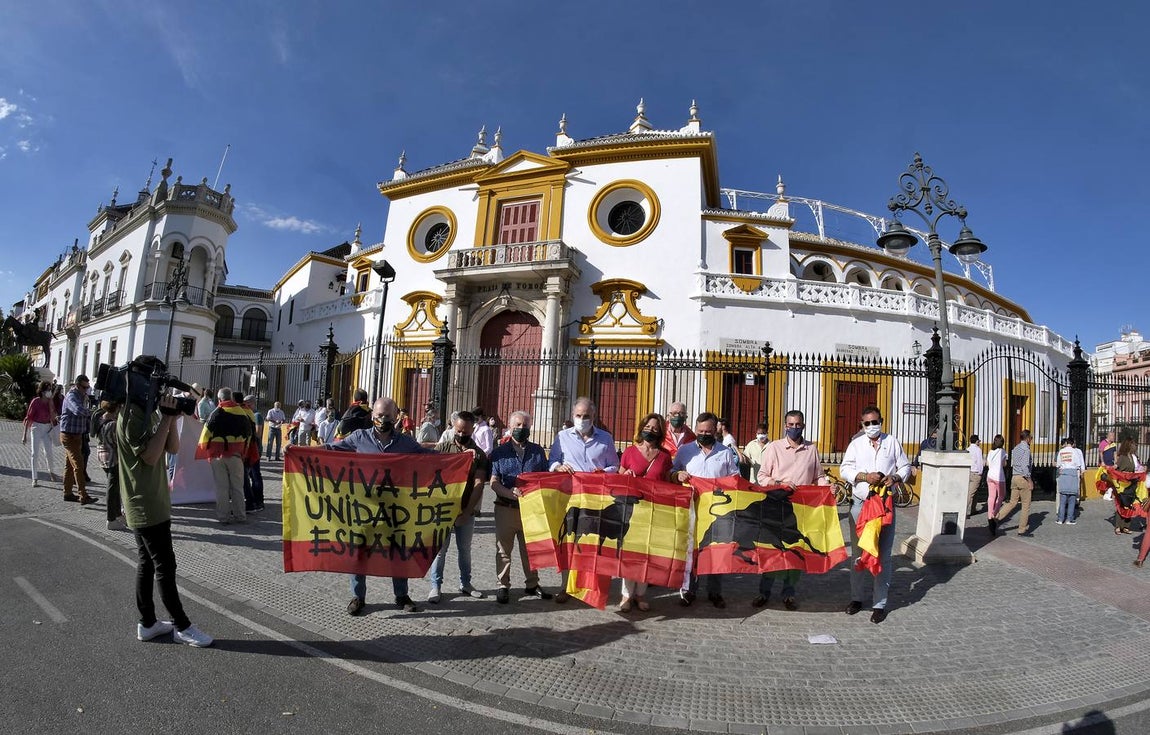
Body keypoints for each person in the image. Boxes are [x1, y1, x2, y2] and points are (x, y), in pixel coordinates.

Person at [118, 358, 213, 647]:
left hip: (153, 498)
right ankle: (182, 625)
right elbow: (148, 456)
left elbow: (170, 448)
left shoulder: (145, 413)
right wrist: (167, 418)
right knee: (164, 565)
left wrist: (170, 417)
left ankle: (147, 623)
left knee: (147, 562)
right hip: (144, 501)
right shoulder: (133, 415)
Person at [327, 397, 426, 614]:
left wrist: (461, 458)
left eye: (388, 416)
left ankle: (402, 596)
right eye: (380, 415)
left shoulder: (405, 442)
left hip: (395, 509)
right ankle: (358, 597)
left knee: (398, 553)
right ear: (373, 416)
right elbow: (331, 450)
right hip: (364, 508)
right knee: (359, 553)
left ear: (396, 416)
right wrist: (298, 450)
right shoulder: (358, 437)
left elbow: (428, 457)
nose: (384, 419)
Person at [839, 405, 911, 624]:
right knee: (859, 554)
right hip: (861, 505)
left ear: (881, 421)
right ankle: (856, 598)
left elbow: (905, 466)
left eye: (875, 421)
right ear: (862, 424)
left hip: (884, 506)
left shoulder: (893, 442)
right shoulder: (856, 445)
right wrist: (863, 476)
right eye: (867, 423)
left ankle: (879, 604)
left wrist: (895, 478)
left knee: (884, 555)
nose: (871, 426)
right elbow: (844, 469)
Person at [755, 409, 826, 610]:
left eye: (798, 425)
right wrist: (778, 482)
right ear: (785, 425)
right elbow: (762, 476)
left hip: (800, 510)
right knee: (772, 551)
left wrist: (827, 486)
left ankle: (789, 594)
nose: (794, 428)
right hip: (776, 506)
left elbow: (817, 476)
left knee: (795, 552)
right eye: (791, 424)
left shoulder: (811, 449)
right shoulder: (774, 447)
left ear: (803, 425)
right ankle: (764, 592)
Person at [548, 397, 618, 601]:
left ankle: (591, 586)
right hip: (571, 498)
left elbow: (614, 465)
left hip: (596, 500)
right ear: (573, 416)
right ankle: (565, 586)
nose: (582, 419)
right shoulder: (562, 437)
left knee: (593, 542)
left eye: (586, 416)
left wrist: (603, 471)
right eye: (578, 416)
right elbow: (552, 461)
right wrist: (558, 467)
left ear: (593, 416)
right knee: (569, 541)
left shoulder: (606, 438)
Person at [671, 411, 741, 608]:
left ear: (715, 430)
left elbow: (735, 479)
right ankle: (688, 590)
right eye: (700, 431)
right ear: (695, 429)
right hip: (692, 510)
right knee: (691, 551)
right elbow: (670, 471)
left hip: (718, 512)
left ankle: (715, 592)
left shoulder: (725, 453)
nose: (704, 434)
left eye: (708, 431)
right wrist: (677, 475)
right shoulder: (685, 451)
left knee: (716, 551)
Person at [488, 410, 553, 604]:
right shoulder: (499, 453)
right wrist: (510, 493)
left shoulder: (537, 451)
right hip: (505, 508)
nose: (521, 429)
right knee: (503, 550)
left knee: (530, 549)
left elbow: (544, 478)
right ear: (510, 427)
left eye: (525, 425)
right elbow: (493, 482)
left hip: (530, 511)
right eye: (517, 425)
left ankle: (532, 584)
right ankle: (503, 585)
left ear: (530, 427)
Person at [428, 411, 490, 603]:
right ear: (454, 427)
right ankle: (435, 586)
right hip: (443, 509)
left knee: (465, 550)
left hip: (466, 509)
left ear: (472, 430)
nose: (462, 434)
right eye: (458, 430)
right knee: (440, 550)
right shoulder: (444, 448)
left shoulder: (478, 453)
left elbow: (479, 483)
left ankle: (466, 584)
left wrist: (468, 510)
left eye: (466, 431)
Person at [617, 412, 673, 612]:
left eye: (655, 429)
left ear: (660, 433)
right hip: (631, 510)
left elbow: (668, 483)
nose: (650, 431)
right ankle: (626, 595)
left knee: (648, 554)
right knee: (629, 553)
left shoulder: (665, 456)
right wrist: (627, 476)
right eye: (648, 427)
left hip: (654, 511)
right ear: (642, 428)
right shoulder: (630, 452)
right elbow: (619, 477)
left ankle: (641, 594)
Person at [196, 387, 255, 524]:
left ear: (219, 399)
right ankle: (240, 516)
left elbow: (205, 436)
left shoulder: (215, 413)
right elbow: (248, 435)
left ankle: (224, 517)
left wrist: (206, 450)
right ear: (231, 398)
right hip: (236, 457)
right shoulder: (241, 413)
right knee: (238, 488)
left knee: (221, 488)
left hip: (218, 457)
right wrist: (243, 453)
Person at [59, 375, 96, 505]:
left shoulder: (82, 396)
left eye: (88, 387)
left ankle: (67, 492)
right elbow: (77, 410)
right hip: (69, 435)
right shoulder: (72, 396)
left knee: (69, 466)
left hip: (77, 435)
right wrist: (92, 412)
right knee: (78, 465)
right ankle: (83, 495)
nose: (86, 390)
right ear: (78, 385)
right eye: (84, 387)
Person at [992, 430, 1034, 536]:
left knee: (1012, 502)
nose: (1031, 440)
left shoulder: (1015, 449)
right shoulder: (1026, 450)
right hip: (1023, 478)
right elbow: (1025, 466)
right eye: (1031, 438)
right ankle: (1022, 529)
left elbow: (1012, 463)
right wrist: (1029, 481)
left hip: (1014, 477)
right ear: (1028, 438)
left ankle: (996, 517)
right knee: (1025, 504)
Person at [94, 399, 126, 530]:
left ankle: (117, 514)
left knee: (114, 486)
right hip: (112, 457)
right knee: (113, 488)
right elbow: (117, 442)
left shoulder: (100, 418)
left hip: (102, 455)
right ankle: (111, 518)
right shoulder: (113, 424)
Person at [22, 379, 59, 487]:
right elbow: (29, 417)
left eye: (50, 390)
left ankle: (51, 472)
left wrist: (51, 405)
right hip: (36, 427)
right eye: (47, 390)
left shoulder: (50, 402)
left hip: (47, 428)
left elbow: (53, 417)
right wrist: (24, 435)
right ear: (42, 391)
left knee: (49, 452)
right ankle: (35, 478)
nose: (49, 392)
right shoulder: (36, 401)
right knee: (34, 453)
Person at [1113, 438, 1142, 535]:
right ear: (1128, 445)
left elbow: (1137, 469)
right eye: (1133, 444)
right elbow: (1116, 467)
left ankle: (1126, 526)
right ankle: (1118, 526)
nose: (1135, 446)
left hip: (1131, 483)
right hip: (1122, 484)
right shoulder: (1122, 457)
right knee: (1121, 504)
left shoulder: (1133, 457)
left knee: (1129, 504)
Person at [1055, 437, 1085, 525]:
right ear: (1072, 444)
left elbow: (1058, 464)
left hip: (1063, 474)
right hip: (1072, 474)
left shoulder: (1061, 451)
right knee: (1072, 499)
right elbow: (1079, 464)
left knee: (1063, 498)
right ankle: (1069, 519)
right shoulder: (1075, 451)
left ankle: (1060, 519)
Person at [242, 396, 265, 513]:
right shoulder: (250, 414)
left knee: (255, 475)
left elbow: (258, 433)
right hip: (250, 449)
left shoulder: (257, 416)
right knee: (251, 474)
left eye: (246, 403)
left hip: (255, 449)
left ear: (251, 403)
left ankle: (259, 500)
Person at [985, 434, 1006, 529]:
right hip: (999, 477)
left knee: (991, 496)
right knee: (1001, 495)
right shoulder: (1003, 452)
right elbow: (1004, 464)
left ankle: (989, 516)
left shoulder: (990, 452)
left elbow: (987, 463)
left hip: (990, 475)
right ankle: (994, 512)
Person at [966, 434, 985, 516]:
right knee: (971, 493)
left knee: (974, 492)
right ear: (977, 441)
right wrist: (980, 473)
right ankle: (964, 510)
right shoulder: (978, 450)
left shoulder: (967, 449)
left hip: (969, 472)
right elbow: (980, 463)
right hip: (976, 473)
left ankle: (973, 509)